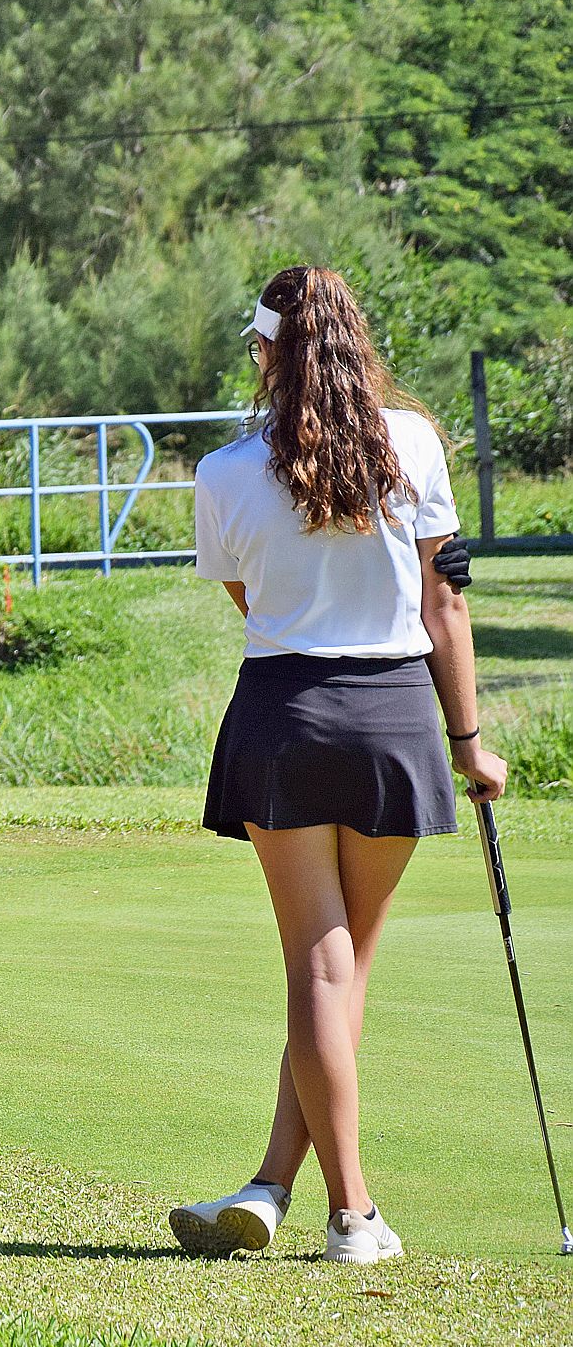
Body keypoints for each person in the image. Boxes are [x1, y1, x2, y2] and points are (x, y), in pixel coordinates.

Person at [173, 266, 506, 1264]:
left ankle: (335, 1206)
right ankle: (286, 1187)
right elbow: (445, 603)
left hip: (283, 714)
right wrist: (468, 741)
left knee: (321, 968)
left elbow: (248, 604)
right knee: (345, 964)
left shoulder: (225, 470)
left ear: (269, 348)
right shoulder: (415, 443)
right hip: (396, 719)